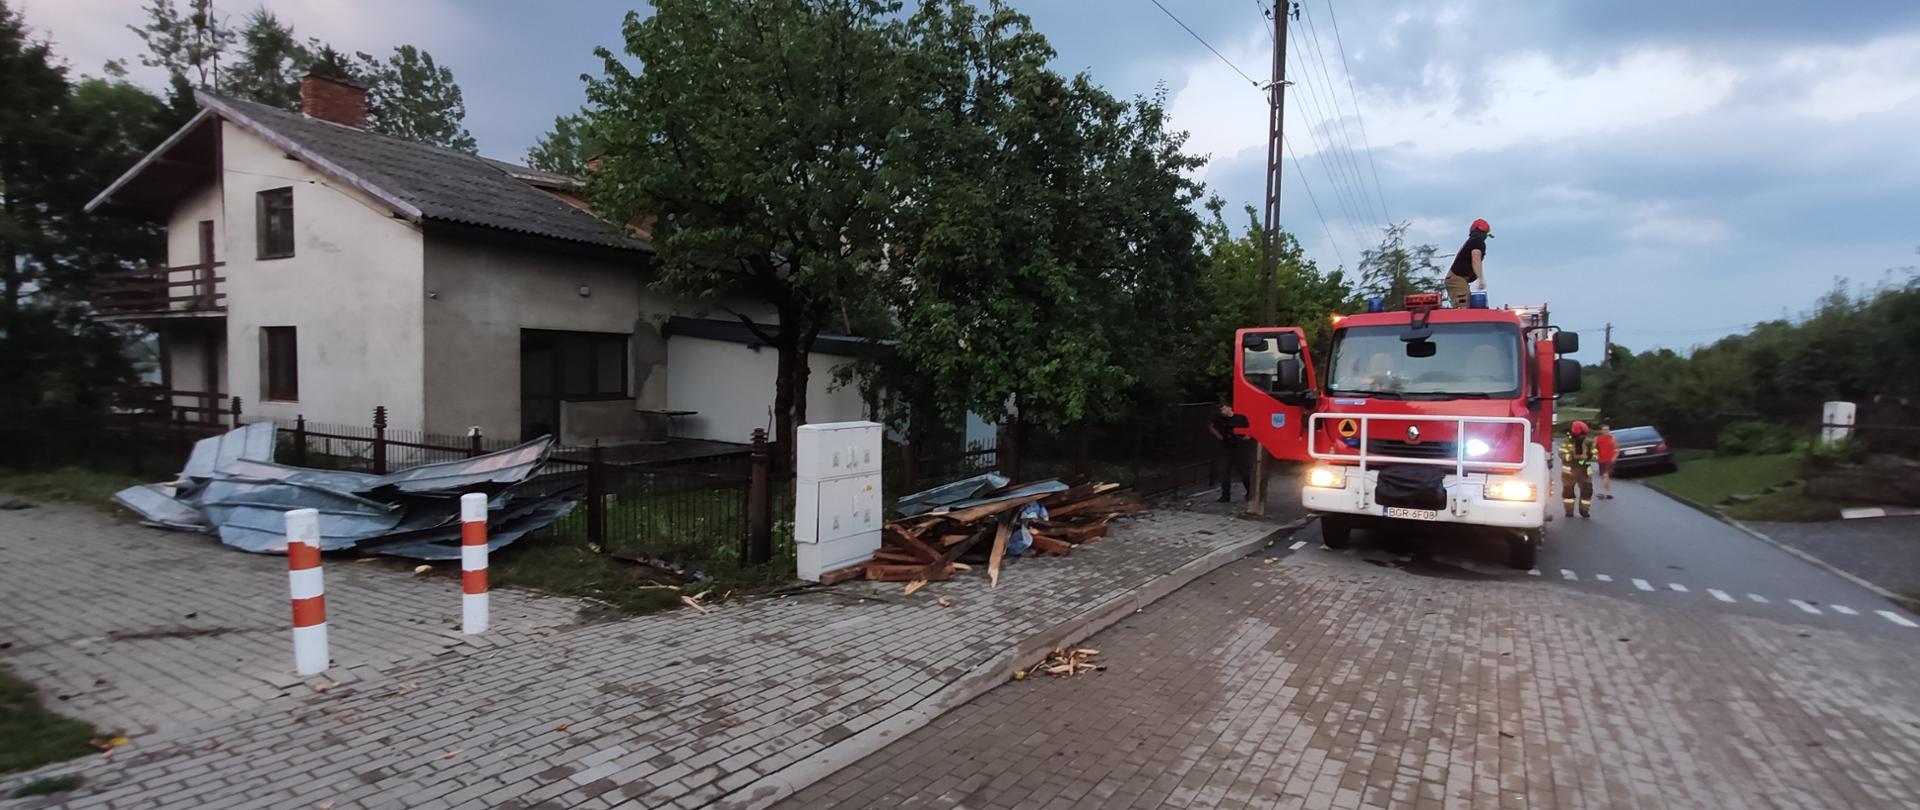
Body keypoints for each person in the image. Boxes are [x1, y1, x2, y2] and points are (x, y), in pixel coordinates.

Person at [1209, 402, 1253, 503]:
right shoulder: (1219, 419)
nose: (1222, 411)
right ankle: (1225, 496)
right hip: (1226, 447)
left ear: (1230, 408)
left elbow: (1249, 428)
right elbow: (1211, 425)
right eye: (1221, 410)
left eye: (1224, 409)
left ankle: (1249, 493)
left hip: (1239, 447)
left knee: (1244, 472)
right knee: (1224, 471)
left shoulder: (1240, 418)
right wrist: (1218, 435)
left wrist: (1247, 435)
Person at [1445, 218, 1492, 308]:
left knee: (1465, 305)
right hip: (1457, 279)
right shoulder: (1477, 242)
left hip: (1457, 279)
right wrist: (1480, 279)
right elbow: (1476, 259)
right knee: (1463, 307)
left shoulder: (1471, 241)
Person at [1559, 420, 1597, 518]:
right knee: (1568, 493)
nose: (1582, 437)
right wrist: (1574, 456)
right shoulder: (1567, 442)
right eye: (1581, 434)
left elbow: (1596, 455)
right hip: (1569, 472)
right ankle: (1569, 511)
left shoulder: (1589, 442)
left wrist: (1589, 456)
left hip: (1585, 471)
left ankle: (1584, 510)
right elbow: (1562, 455)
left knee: (1587, 491)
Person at [1595, 424, 1619, 499]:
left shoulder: (1612, 438)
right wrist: (1595, 455)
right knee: (1604, 476)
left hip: (1610, 460)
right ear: (1601, 431)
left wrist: (1614, 457)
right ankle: (1608, 493)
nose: (1606, 431)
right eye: (1604, 430)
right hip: (1601, 459)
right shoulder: (1597, 438)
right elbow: (1593, 448)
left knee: (1606, 475)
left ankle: (1604, 494)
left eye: (1608, 429)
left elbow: (1617, 449)